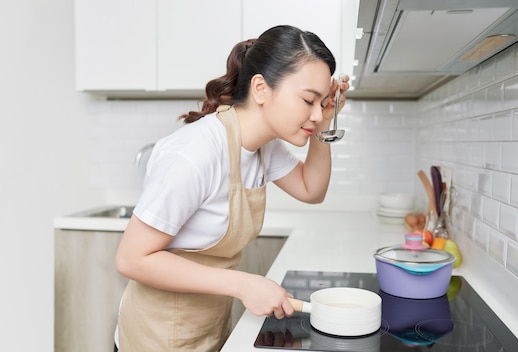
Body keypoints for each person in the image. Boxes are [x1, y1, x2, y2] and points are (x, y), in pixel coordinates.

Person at [115, 24, 350, 351]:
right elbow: (131, 259)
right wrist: (244, 284)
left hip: (208, 328)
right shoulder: (196, 153)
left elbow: (312, 190)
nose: (314, 113)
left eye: (321, 102)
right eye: (309, 100)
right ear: (260, 89)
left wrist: (324, 124)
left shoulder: (263, 145)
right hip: (156, 337)